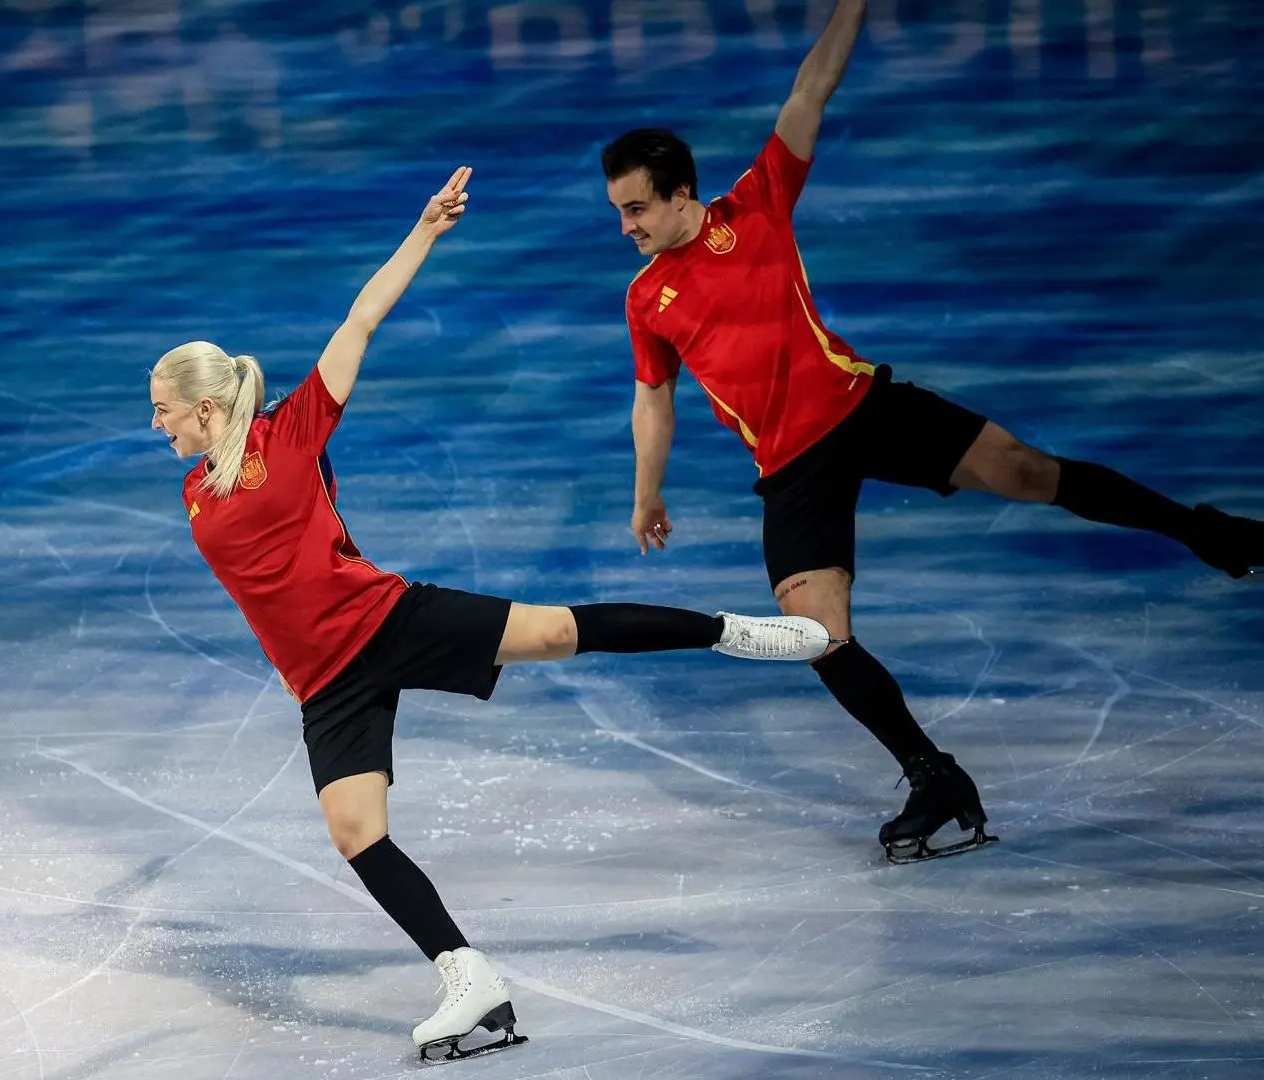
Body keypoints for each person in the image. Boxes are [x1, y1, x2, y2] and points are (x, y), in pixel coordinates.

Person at [601, 0, 1264, 864]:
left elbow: (810, 91)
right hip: (791, 465)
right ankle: (932, 775)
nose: (626, 227)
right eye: (619, 211)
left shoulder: (755, 204)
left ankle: (1208, 533)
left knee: (1025, 471)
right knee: (817, 636)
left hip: (863, 407)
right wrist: (647, 496)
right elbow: (654, 400)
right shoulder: (648, 300)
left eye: (637, 208)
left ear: (682, 193)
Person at [149, 166, 832, 1060]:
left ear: (205, 407)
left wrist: (426, 230)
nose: (158, 427)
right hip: (324, 678)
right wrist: (285, 664)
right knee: (357, 834)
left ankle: (729, 631)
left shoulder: (294, 431)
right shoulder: (195, 494)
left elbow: (361, 319)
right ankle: (469, 977)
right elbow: (256, 588)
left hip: (386, 620)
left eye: (164, 412)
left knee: (555, 630)